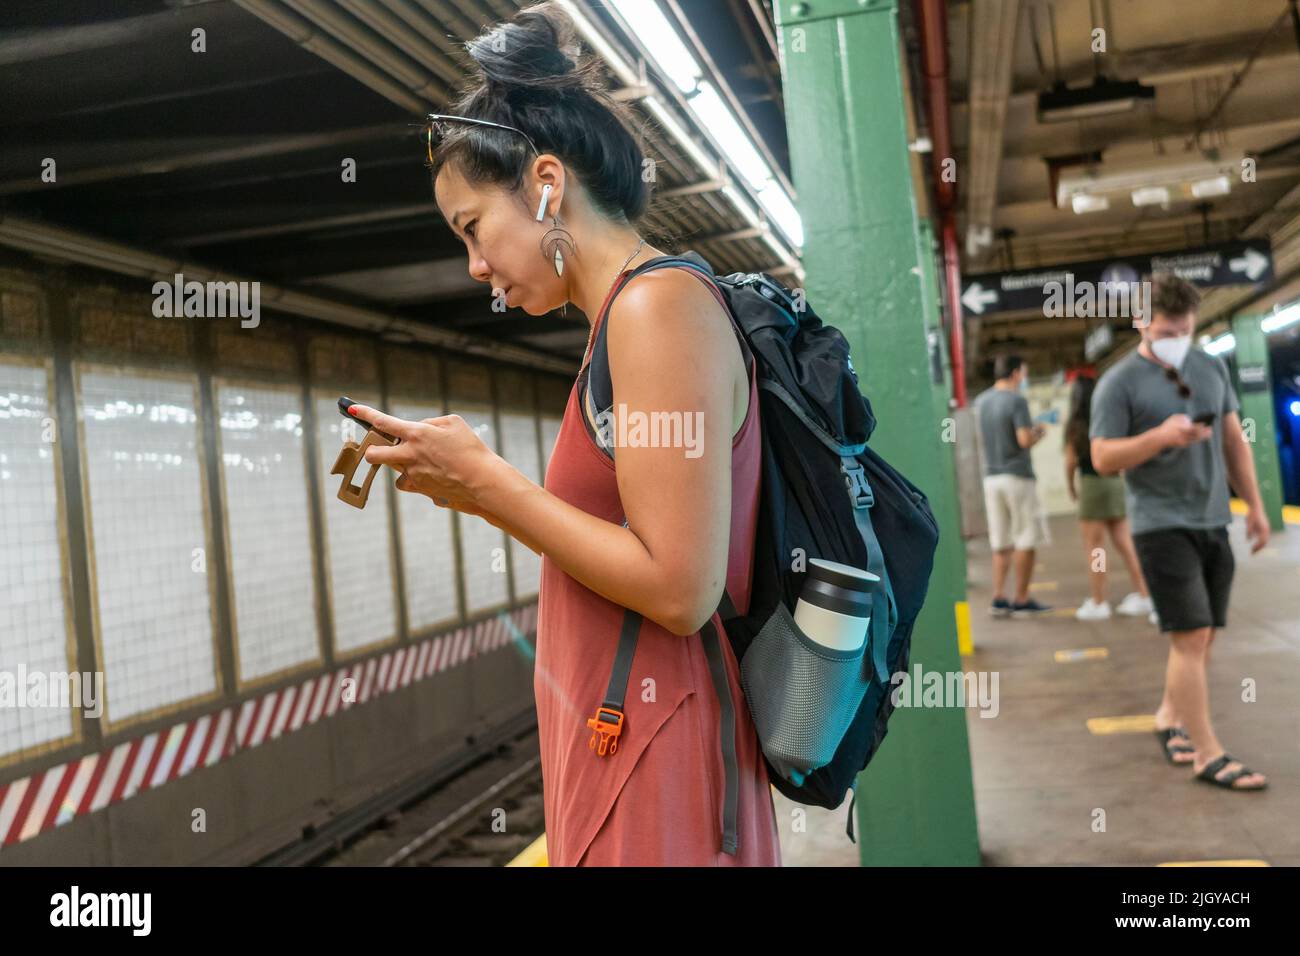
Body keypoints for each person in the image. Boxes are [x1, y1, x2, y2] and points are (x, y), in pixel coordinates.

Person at [346, 2, 781, 862]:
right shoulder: (625, 320)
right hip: (633, 732)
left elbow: (678, 586)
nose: (475, 267)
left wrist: (490, 487)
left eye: (474, 228)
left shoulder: (657, 308)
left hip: (661, 745)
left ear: (546, 183)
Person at [1091, 273, 1270, 790]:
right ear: (1140, 322)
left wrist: (1254, 508)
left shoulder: (1209, 366)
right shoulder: (1119, 383)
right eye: (1168, 330)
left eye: (1186, 329)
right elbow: (1102, 457)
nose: (1178, 339)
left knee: (1204, 634)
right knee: (1190, 636)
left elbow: (1234, 441)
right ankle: (1207, 753)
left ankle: (1170, 718)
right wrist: (1158, 437)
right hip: (1160, 525)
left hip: (1214, 519)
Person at [1062, 374, 1153, 621]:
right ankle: (1145, 595)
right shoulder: (1109, 418)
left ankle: (1100, 601)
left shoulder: (1075, 425)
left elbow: (1071, 462)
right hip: (1114, 483)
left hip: (1091, 486)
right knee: (1126, 544)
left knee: (1096, 549)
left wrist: (1071, 487)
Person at [973, 355, 1053, 617]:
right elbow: (1023, 440)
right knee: (1025, 538)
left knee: (1000, 541)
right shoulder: (1017, 401)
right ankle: (1021, 598)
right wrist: (1039, 431)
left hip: (991, 477)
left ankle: (998, 598)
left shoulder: (981, 402)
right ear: (1016, 373)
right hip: (1017, 476)